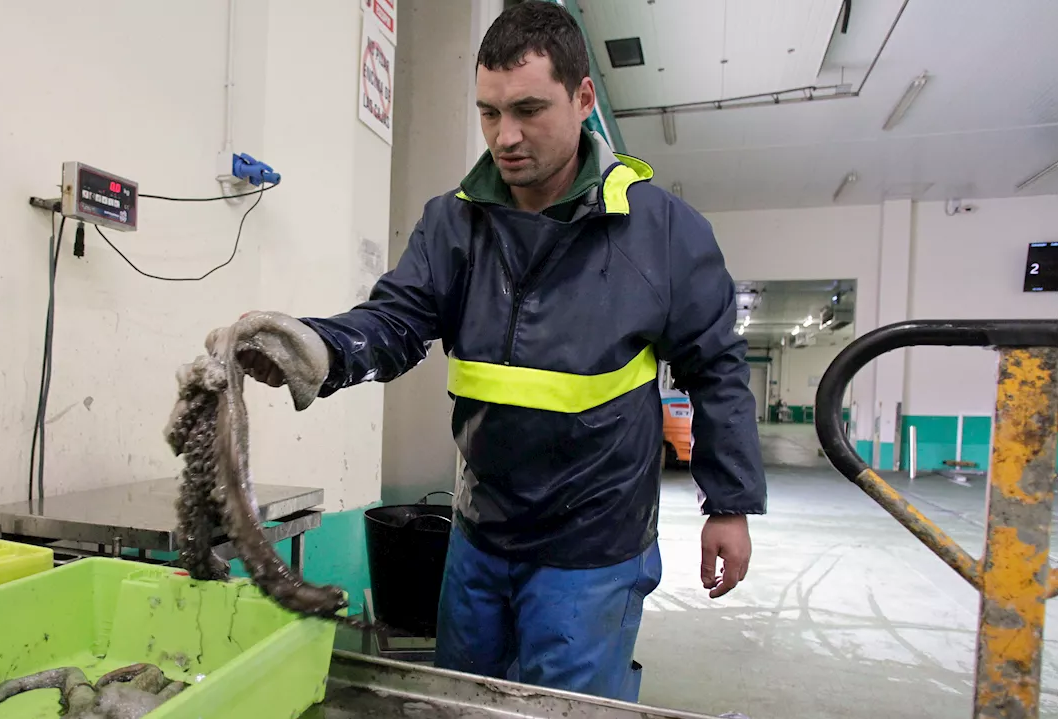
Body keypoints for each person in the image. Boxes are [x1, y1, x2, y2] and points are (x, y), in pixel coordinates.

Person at [168, 0, 766, 704]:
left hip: (593, 547)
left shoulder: (661, 233)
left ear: (582, 98)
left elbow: (717, 370)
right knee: (459, 700)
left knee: (560, 708)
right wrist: (320, 348)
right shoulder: (454, 223)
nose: (505, 136)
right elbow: (396, 321)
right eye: (488, 112)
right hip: (482, 535)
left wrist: (728, 504)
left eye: (528, 109)